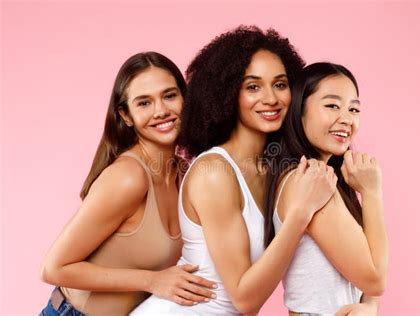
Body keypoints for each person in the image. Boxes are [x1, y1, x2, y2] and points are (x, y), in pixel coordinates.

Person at [132, 26, 337, 315]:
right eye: (253, 87)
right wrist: (300, 214)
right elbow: (244, 299)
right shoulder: (214, 172)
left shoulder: (274, 167)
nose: (271, 99)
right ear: (227, 94)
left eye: (280, 84)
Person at [40, 52, 216, 316]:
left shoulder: (183, 173)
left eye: (169, 96)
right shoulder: (129, 176)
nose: (161, 111)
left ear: (185, 100)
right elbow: (53, 269)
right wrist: (153, 281)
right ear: (126, 115)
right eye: (144, 103)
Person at [265, 62, 388, 315]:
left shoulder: (323, 178)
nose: (346, 119)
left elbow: (369, 279)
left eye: (354, 109)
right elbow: (375, 279)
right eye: (332, 105)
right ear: (299, 111)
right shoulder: (310, 179)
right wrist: (372, 194)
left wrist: (370, 306)